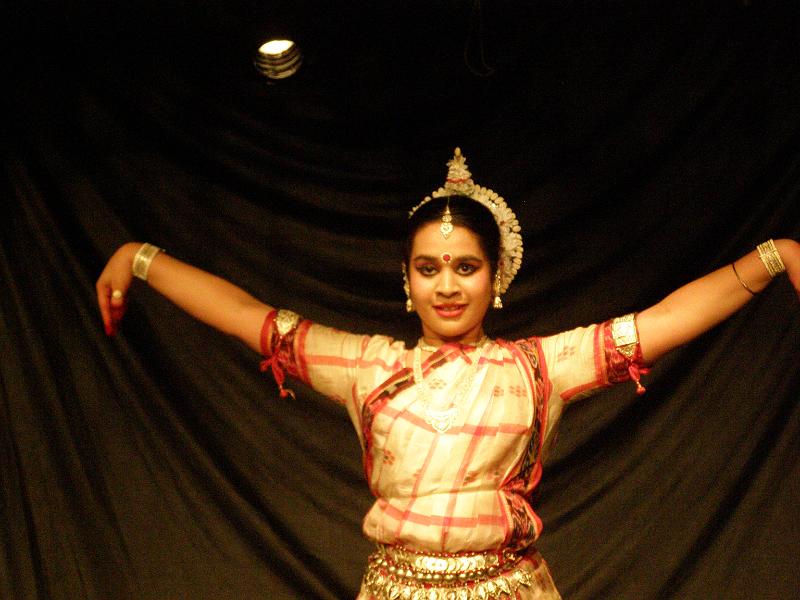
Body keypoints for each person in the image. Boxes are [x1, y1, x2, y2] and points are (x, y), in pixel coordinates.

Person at [96, 149, 800, 599]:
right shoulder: (365, 364)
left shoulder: (539, 367)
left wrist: (774, 256)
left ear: (496, 277)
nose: (447, 286)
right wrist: (139, 258)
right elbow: (245, 315)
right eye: (428, 269)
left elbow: (664, 321)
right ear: (406, 281)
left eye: (466, 267)